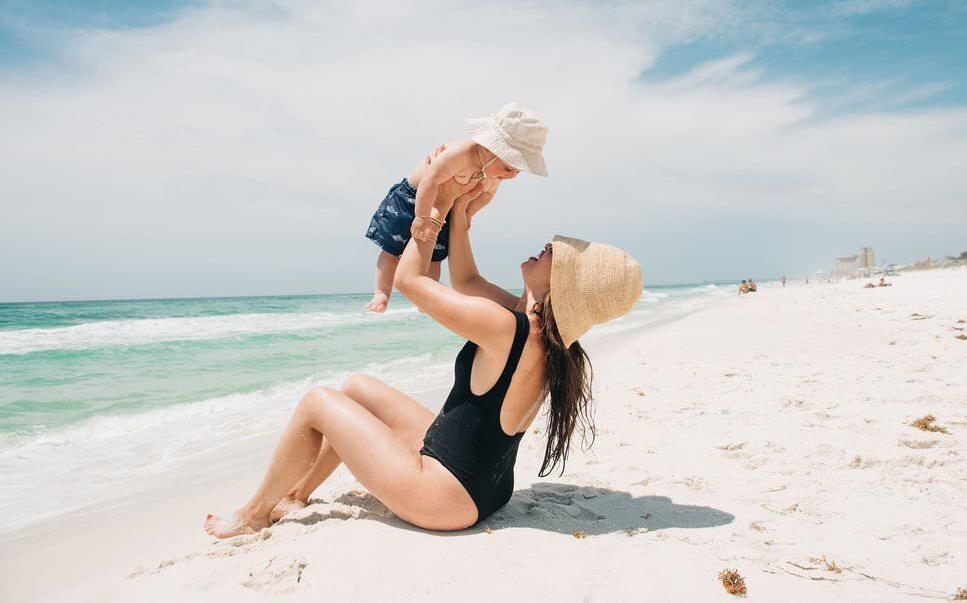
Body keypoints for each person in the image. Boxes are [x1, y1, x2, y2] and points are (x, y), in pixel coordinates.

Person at [205, 179, 643, 536]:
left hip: (444, 497)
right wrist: (460, 214)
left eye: (557, 255)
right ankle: (297, 495)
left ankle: (252, 515)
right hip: (485, 488)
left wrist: (430, 207)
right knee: (356, 387)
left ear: (564, 284)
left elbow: (411, 282)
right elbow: (466, 279)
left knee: (317, 402)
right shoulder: (539, 331)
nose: (547, 247)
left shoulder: (510, 329)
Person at [364, 103, 548, 312]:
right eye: (508, 168)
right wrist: (423, 217)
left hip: (447, 207)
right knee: (391, 251)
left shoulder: (493, 174)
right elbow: (431, 179)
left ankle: (425, 298)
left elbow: (485, 196)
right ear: (489, 148)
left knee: (435, 259)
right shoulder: (461, 153)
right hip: (413, 199)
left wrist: (468, 213)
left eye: (517, 171)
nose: (511, 176)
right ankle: (382, 292)